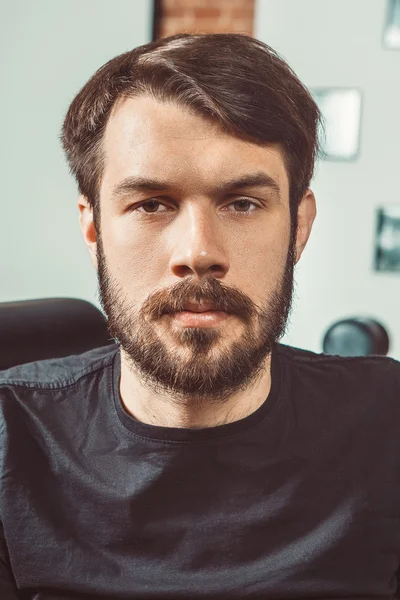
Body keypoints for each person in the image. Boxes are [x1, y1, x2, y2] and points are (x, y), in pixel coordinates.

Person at [0, 32, 399, 600]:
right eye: (151, 204)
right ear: (94, 231)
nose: (198, 251)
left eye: (242, 203)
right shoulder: (10, 441)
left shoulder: (389, 425)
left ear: (299, 227)